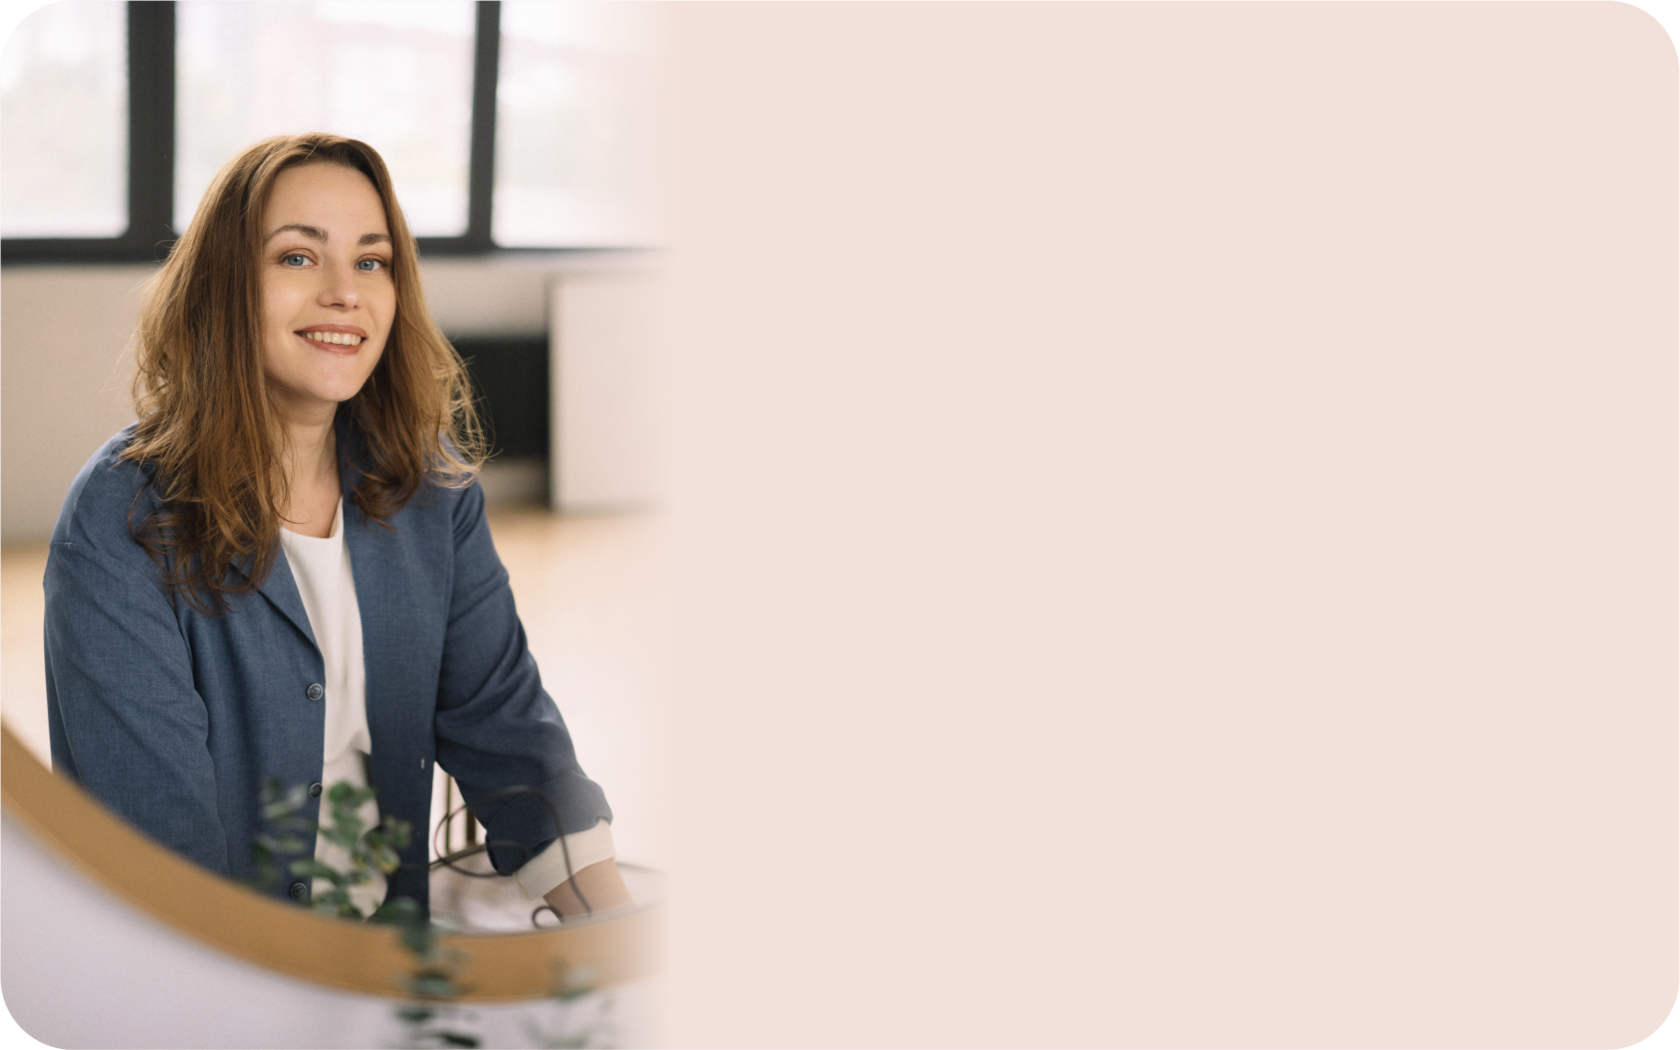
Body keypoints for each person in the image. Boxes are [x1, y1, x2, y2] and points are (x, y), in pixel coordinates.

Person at [44, 133, 632, 921]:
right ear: (222, 286)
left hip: (389, 953)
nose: (345, 292)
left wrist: (617, 934)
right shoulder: (118, 520)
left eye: (372, 261)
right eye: (297, 257)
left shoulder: (431, 488)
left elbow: (510, 733)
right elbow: (166, 867)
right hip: (216, 974)